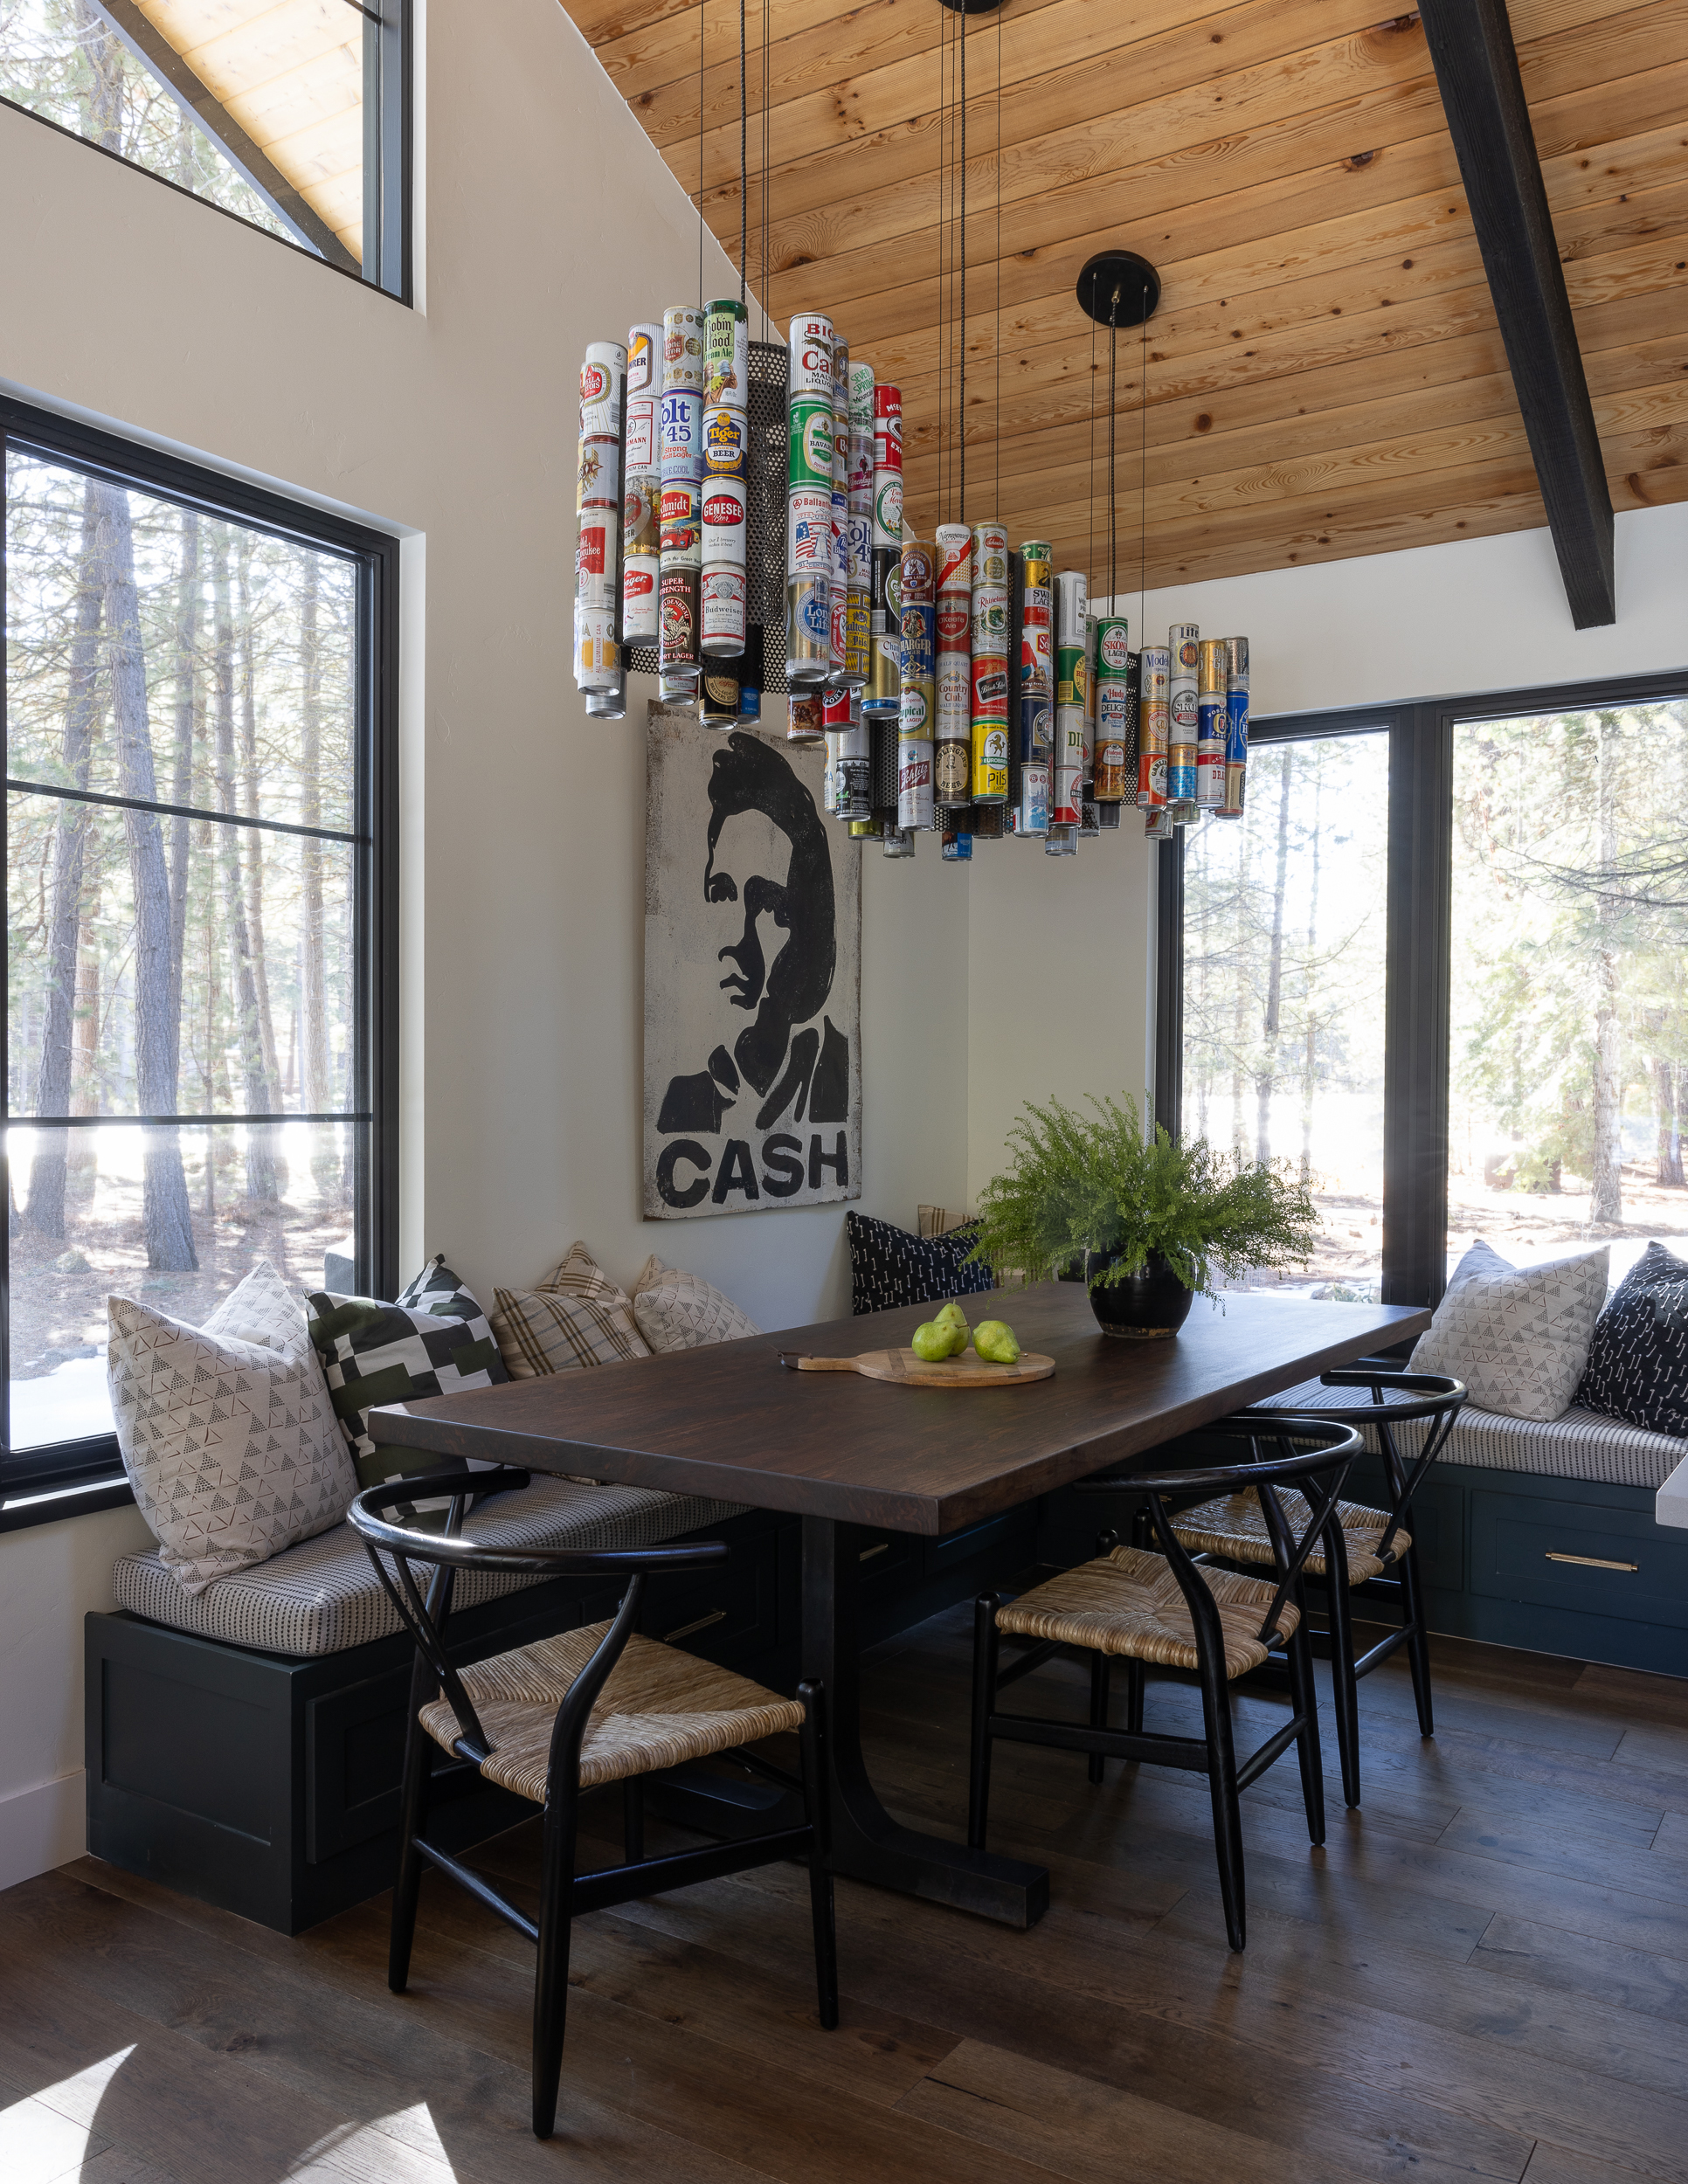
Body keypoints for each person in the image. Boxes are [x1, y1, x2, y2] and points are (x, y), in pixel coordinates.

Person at [657, 732, 849, 1138]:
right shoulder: (683, 1076)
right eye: (720, 892)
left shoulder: (814, 1044)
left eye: (763, 902)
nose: (735, 945)